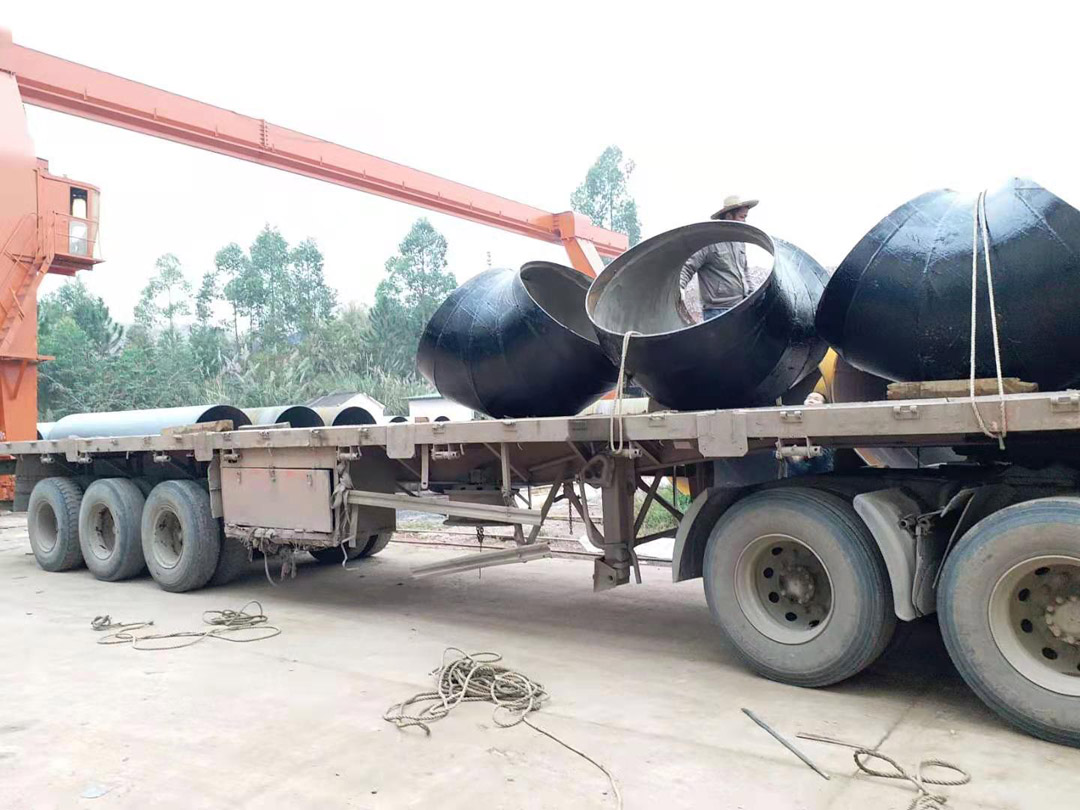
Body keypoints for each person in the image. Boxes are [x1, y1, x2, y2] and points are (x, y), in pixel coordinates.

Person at [679, 194, 759, 320]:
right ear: (729, 216)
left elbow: (744, 271)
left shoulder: (739, 242)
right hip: (717, 311)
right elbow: (688, 267)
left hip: (740, 307)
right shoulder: (709, 242)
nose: (745, 221)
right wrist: (680, 289)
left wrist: (752, 294)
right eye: (742, 217)